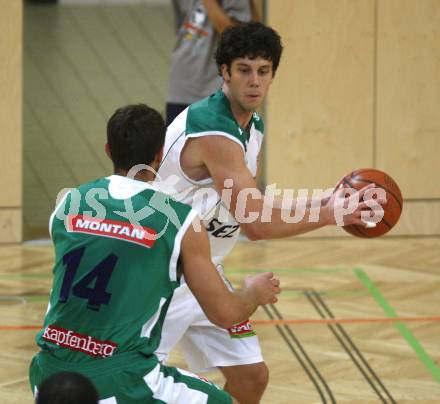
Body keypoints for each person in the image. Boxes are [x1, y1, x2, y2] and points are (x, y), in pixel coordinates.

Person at [155, 22, 380, 404]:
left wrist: (331, 198)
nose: (254, 81)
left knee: (251, 377)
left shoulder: (251, 127)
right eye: (243, 69)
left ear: (273, 74)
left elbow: (255, 208)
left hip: (205, 271)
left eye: (263, 71)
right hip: (163, 273)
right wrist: (331, 214)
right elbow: (256, 225)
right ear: (224, 72)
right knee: (131, 383)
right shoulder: (213, 129)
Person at [29, 104, 281, 403]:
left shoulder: (68, 203)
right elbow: (225, 313)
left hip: (49, 375)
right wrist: (254, 293)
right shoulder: (178, 220)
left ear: (108, 150)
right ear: (161, 154)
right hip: (121, 378)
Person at [166, 0, 254, 126]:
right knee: (177, 144)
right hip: (180, 85)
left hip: (215, 89)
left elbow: (236, 38)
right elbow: (184, 28)